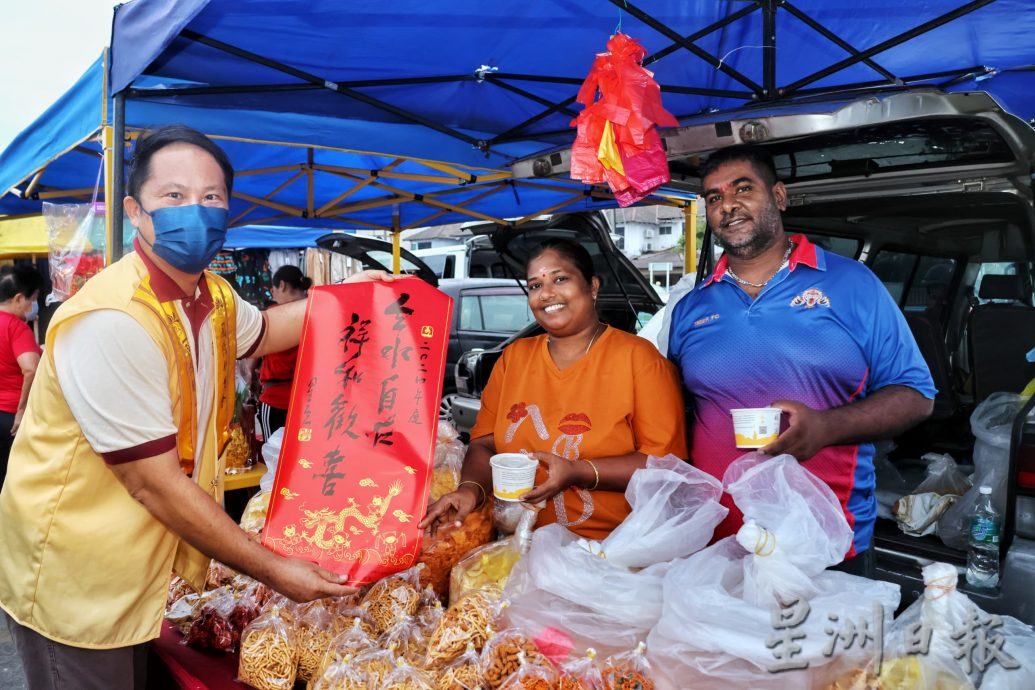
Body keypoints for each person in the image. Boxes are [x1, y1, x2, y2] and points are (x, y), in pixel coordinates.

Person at [0, 125, 392, 689]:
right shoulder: (112, 318)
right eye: (174, 196)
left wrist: (358, 297)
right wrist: (275, 569)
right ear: (135, 211)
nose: (197, 210)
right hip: (77, 577)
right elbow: (152, 483)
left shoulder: (210, 295)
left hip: (144, 569)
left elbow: (270, 330)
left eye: (211, 197)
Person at [668, 144, 936, 574]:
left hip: (826, 543)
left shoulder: (852, 285)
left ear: (779, 197)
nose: (728, 205)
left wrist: (828, 427)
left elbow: (916, 394)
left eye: (742, 189)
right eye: (714, 197)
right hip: (717, 543)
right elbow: (672, 409)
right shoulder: (690, 308)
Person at [421, 239, 687, 541]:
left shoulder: (639, 360)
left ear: (593, 286)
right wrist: (470, 490)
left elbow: (665, 466)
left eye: (560, 279)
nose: (546, 294)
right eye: (535, 286)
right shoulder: (514, 358)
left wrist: (578, 471)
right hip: (516, 545)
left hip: (613, 549)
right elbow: (485, 444)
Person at [251, 265, 311, 441]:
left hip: (277, 399)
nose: (273, 294)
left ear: (282, 285)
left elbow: (253, 352)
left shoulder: (273, 316)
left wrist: (250, 380)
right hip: (309, 401)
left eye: (273, 289)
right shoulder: (317, 311)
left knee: (276, 458)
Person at [0, 265, 43, 488]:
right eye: (33, 299)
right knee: (14, 479)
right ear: (18, 298)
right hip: (11, 416)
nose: (33, 306)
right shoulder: (17, 328)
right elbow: (31, 369)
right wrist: (21, 411)